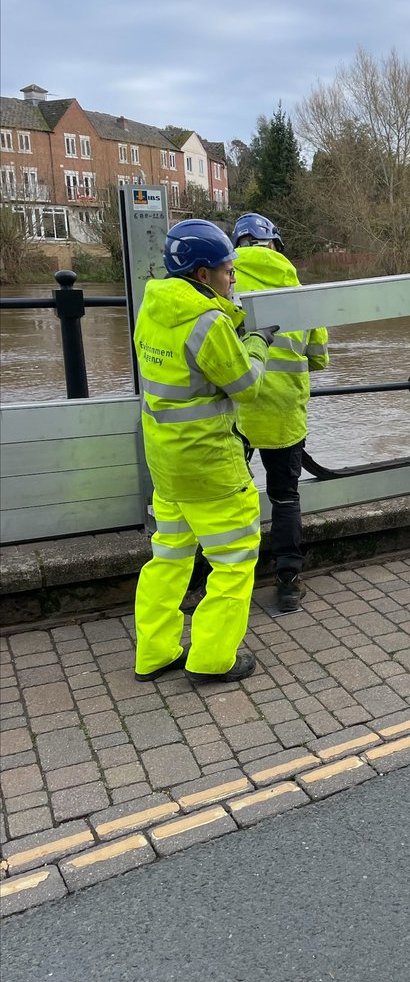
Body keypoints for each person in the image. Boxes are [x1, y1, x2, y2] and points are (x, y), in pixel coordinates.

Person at [132, 219, 279, 685]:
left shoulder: (152, 309)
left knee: (168, 557)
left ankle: (154, 653)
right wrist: (257, 342)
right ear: (202, 274)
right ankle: (214, 658)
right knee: (234, 561)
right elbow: (247, 385)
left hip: (166, 462)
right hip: (210, 465)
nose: (233, 275)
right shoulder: (208, 322)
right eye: (226, 268)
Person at [231, 214, 330, 612]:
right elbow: (319, 358)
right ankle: (288, 584)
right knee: (285, 497)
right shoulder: (299, 291)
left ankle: (221, 581)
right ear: (276, 246)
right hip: (284, 414)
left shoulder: (225, 285)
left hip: (234, 412)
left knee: (228, 498)